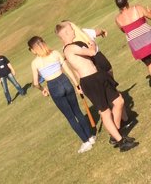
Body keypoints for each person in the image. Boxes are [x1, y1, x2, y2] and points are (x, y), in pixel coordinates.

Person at [56, 21, 138, 151]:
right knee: (105, 112)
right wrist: (92, 44)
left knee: (119, 101)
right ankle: (121, 142)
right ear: (65, 33)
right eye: (71, 29)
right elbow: (92, 52)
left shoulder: (73, 46)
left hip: (98, 76)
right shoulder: (69, 49)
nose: (73, 31)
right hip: (90, 81)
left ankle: (115, 135)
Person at [28, 35, 96, 153]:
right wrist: (76, 84)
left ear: (33, 49)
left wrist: (42, 89)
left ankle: (86, 142)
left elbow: (35, 82)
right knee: (77, 111)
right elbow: (67, 69)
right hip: (65, 81)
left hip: (54, 86)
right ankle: (91, 137)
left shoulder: (35, 63)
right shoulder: (55, 53)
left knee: (70, 117)